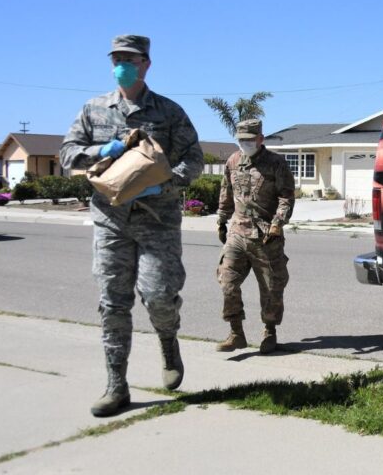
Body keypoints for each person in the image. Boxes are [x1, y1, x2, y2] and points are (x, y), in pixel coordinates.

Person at [60, 34, 203, 417]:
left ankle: (168, 341)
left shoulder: (169, 112)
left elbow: (194, 159)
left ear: (146, 64)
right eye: (117, 58)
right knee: (112, 302)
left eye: (130, 58)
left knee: (159, 295)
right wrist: (98, 151)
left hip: (158, 219)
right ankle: (116, 386)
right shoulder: (93, 109)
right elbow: (67, 155)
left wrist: (166, 181)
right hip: (111, 220)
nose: (122, 64)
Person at [215, 119, 295, 355]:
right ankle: (236, 333)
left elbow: (286, 197)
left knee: (271, 288)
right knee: (227, 281)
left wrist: (277, 223)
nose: (245, 144)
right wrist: (221, 218)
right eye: (241, 140)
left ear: (261, 138)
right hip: (237, 234)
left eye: (249, 140)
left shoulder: (276, 163)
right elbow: (226, 192)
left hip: (265, 237)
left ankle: (269, 332)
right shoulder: (232, 161)